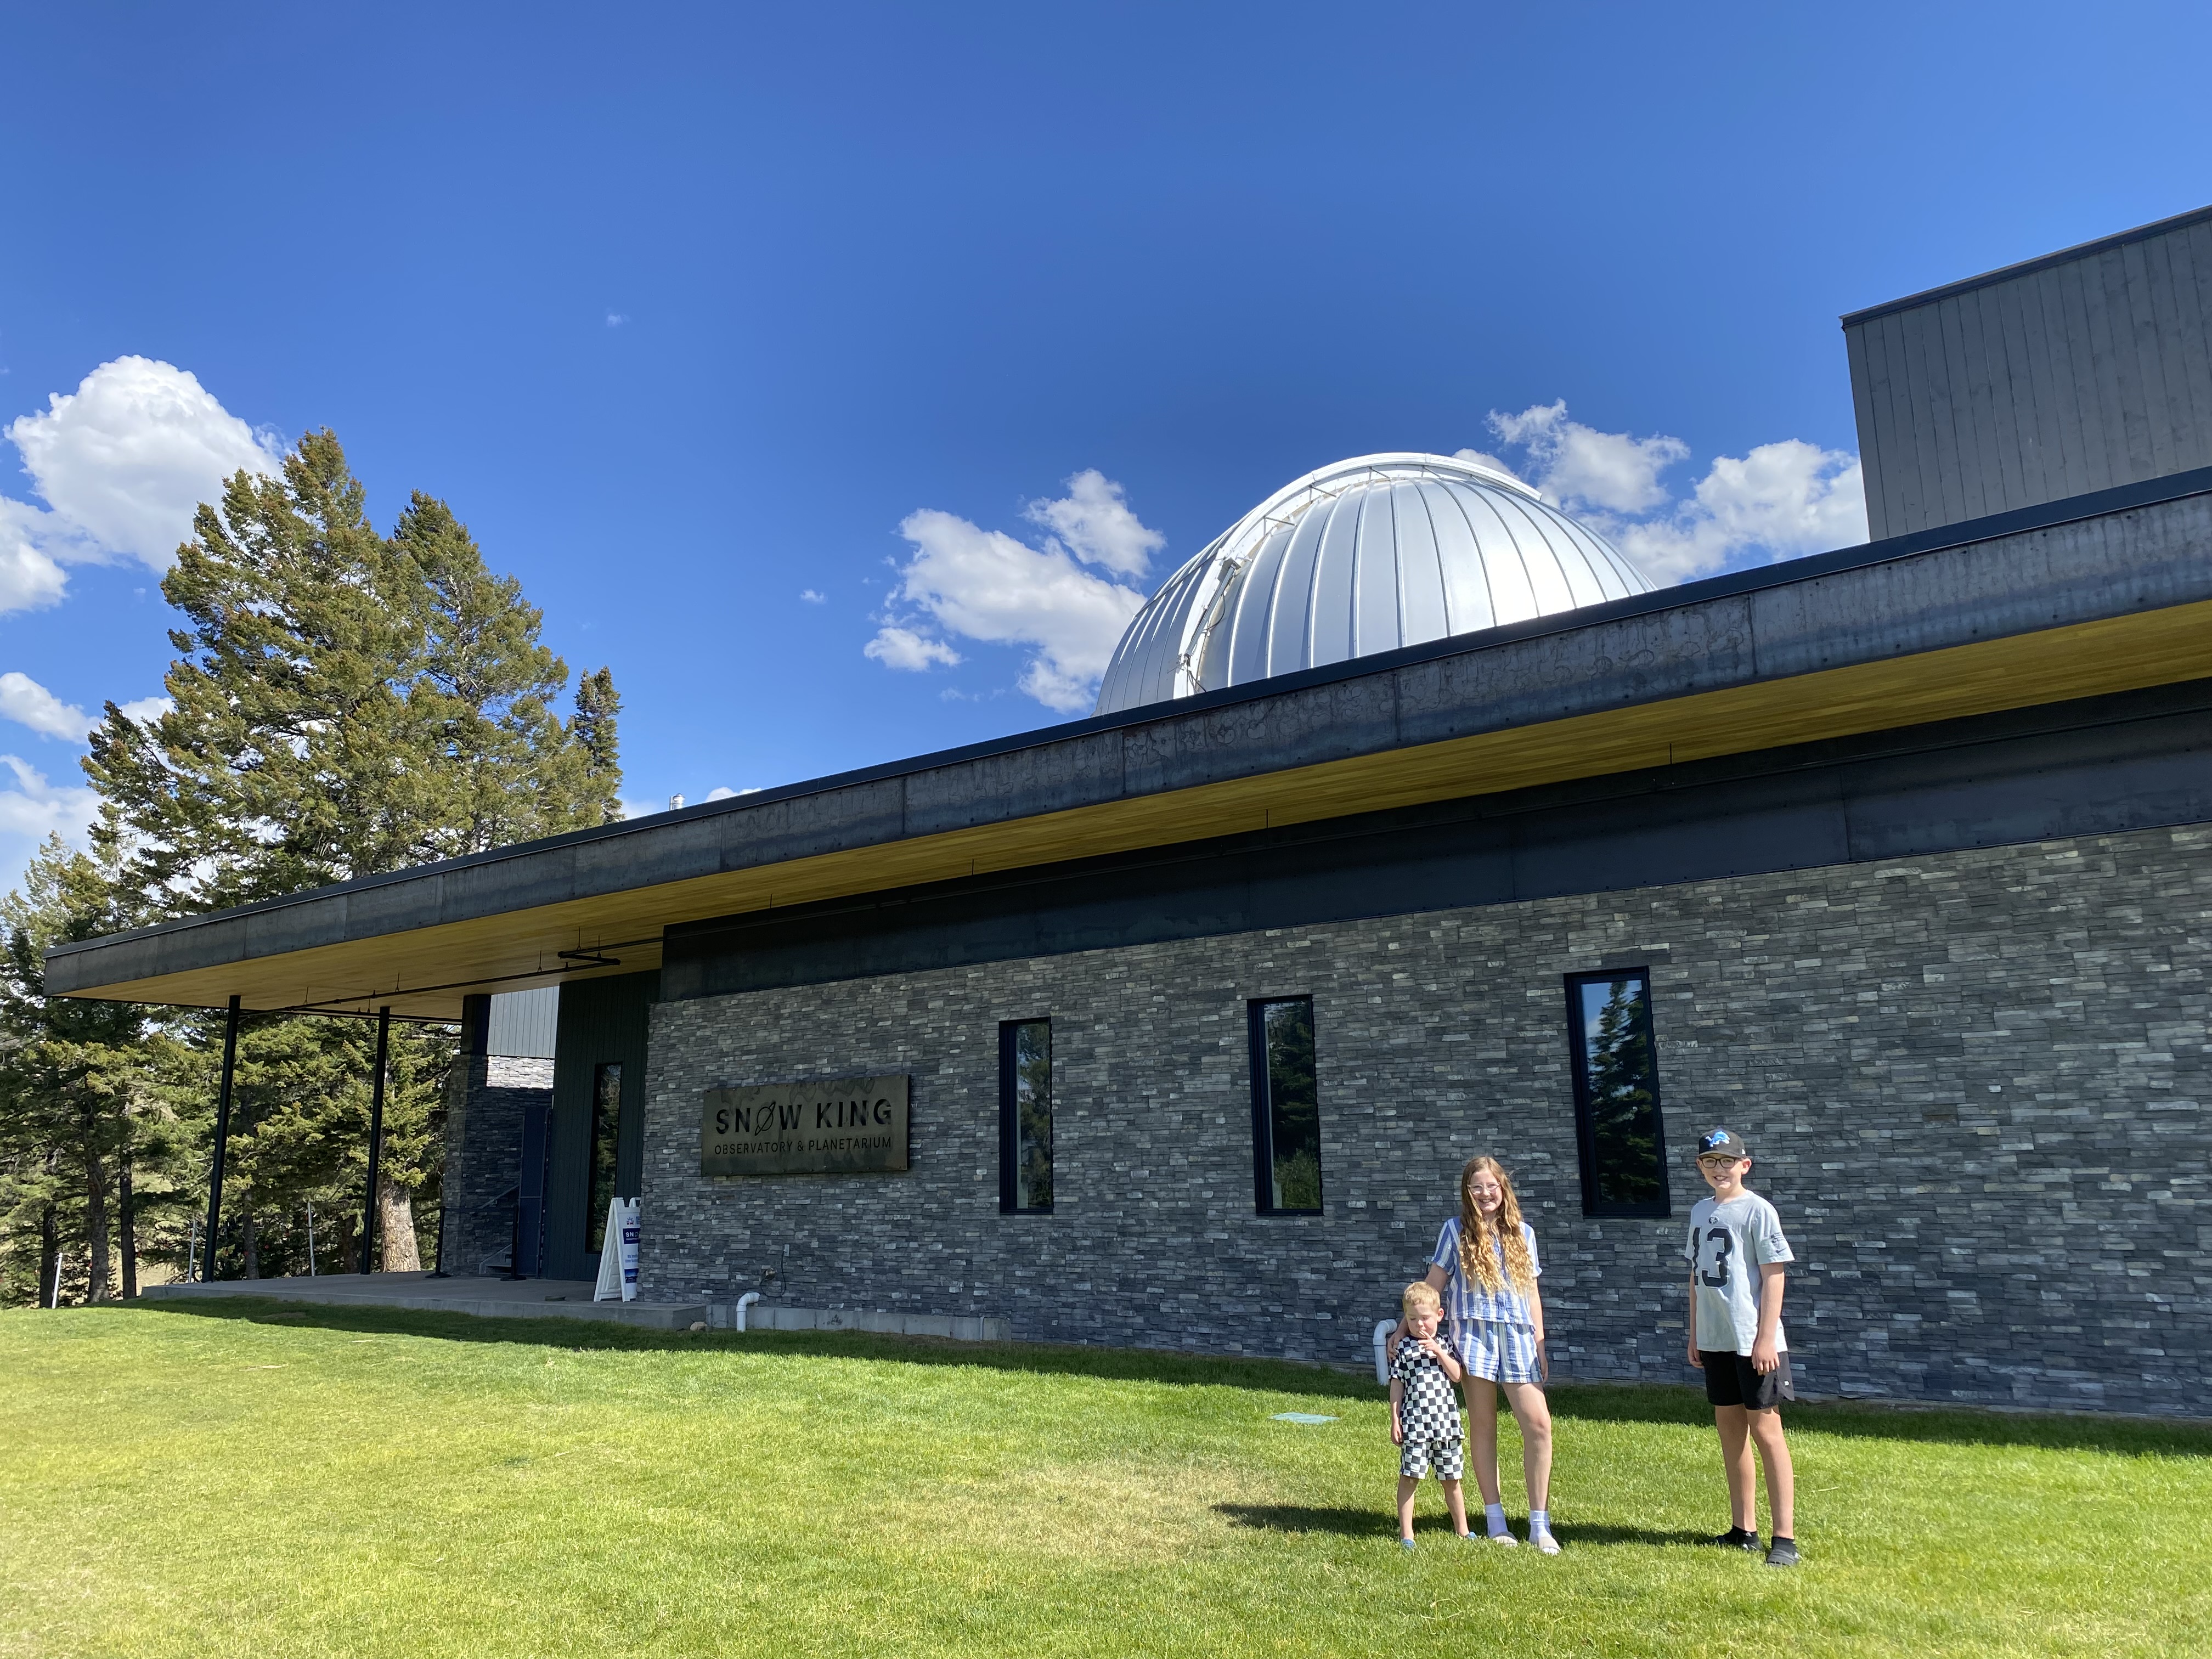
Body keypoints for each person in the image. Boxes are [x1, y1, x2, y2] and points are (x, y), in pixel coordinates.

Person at [1402, 1154, 1559, 1553]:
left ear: (1503, 1189)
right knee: (1484, 1426)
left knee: (1539, 1425)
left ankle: (1540, 1525)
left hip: (1519, 1337)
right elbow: (1434, 1283)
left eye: (1492, 1186)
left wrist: (1540, 1342)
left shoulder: (1524, 1233)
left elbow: (1532, 1293)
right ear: (1467, 1193)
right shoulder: (1454, 1231)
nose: (1486, 1194)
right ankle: (1495, 1519)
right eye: (1477, 1187)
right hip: (1472, 1334)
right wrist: (1404, 1327)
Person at [1685, 1127, 1799, 1567]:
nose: (1720, 1169)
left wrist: (1766, 1337)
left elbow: (1775, 1275)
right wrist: (1696, 1333)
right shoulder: (1700, 1212)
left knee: (1767, 1432)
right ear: (1700, 1167)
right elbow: (1696, 1277)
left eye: (1727, 1161)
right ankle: (1743, 1528)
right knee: (1730, 1431)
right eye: (1711, 1162)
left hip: (1753, 1339)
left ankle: (1784, 1537)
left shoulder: (1758, 1211)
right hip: (1715, 1338)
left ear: (1744, 1165)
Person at [1388, 1280, 1470, 1548]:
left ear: (1439, 1315)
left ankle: (1463, 1529)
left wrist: (1439, 1352)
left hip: (1446, 1425)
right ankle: (1407, 1534)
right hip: (1415, 1425)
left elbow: (1457, 1376)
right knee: (1410, 1477)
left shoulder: (1446, 1343)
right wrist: (1395, 1420)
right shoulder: (1403, 1348)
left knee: (1452, 1480)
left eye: (1425, 1318)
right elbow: (1397, 1385)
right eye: (1412, 1319)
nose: (1420, 1325)